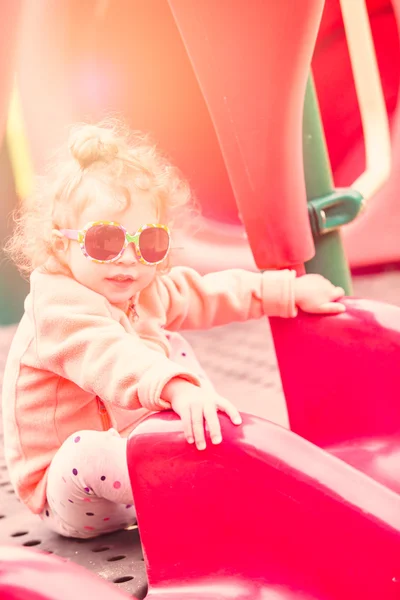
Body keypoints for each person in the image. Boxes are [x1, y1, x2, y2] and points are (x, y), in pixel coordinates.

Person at [1, 121, 345, 539]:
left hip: (135, 461)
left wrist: (285, 291)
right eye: (106, 242)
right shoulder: (56, 307)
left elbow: (206, 293)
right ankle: (195, 482)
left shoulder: (144, 289)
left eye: (148, 243)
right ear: (62, 246)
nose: (128, 259)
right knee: (88, 447)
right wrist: (177, 388)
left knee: (171, 345)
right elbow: (109, 356)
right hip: (71, 493)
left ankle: (200, 448)